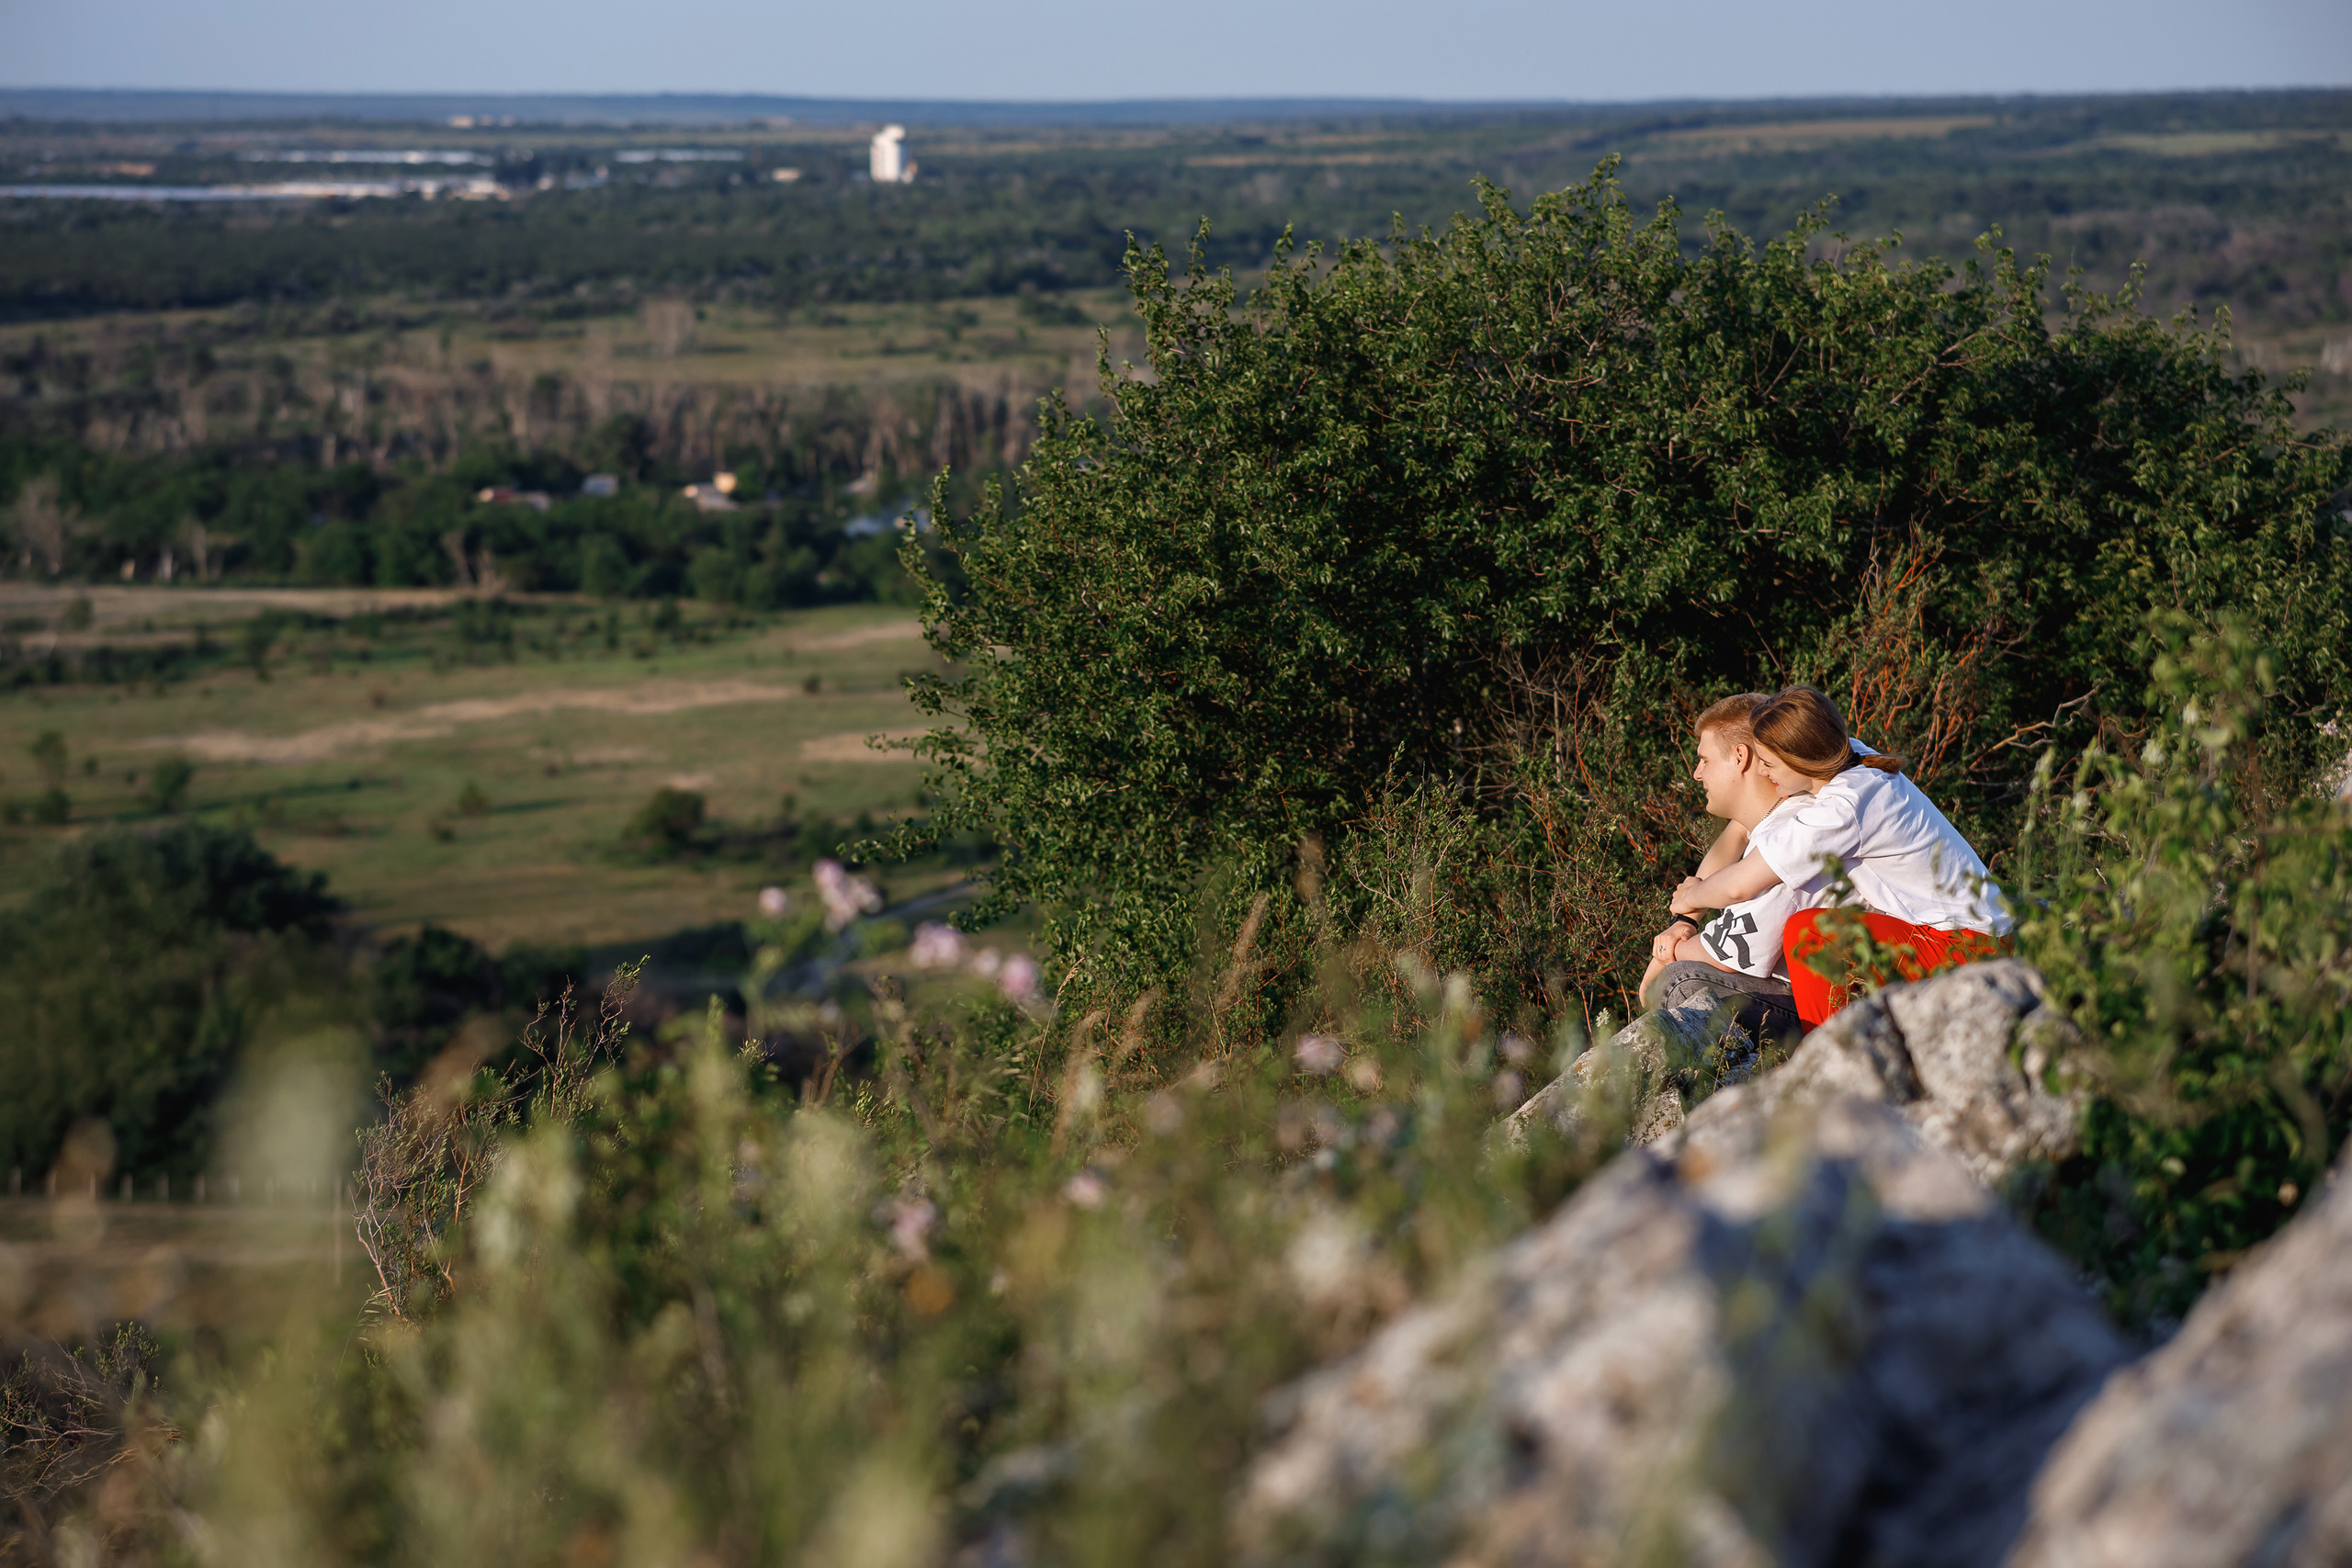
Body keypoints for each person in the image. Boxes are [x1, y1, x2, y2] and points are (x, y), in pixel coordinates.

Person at [1669, 685, 2007, 1026]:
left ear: (1797, 758)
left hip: (1965, 946)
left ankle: (1829, 1055)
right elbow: (1740, 829)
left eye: (1769, 763)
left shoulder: (1842, 809)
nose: (1763, 773)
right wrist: (1687, 920)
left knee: (1811, 934)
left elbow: (1739, 886)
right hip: (1972, 932)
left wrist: (1690, 897)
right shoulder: (1853, 759)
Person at [1640, 694, 1810, 1051]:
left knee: (1681, 981)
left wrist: (1669, 951)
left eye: (1703, 759)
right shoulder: (1774, 814)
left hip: (1823, 1010)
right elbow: (1734, 834)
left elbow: (1732, 953)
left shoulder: (1790, 835)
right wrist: (1684, 920)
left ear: (1740, 757)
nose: (1696, 772)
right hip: (1807, 991)